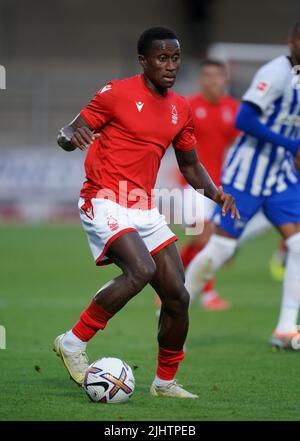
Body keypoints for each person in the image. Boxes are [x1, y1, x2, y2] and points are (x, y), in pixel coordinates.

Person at [54, 27, 238, 398]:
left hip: (142, 205)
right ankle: (73, 342)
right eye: (162, 58)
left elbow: (189, 166)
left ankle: (164, 383)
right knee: (141, 270)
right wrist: (69, 139)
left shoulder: (180, 108)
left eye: (175, 58)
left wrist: (217, 195)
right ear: (143, 61)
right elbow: (69, 130)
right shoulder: (116, 93)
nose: (170, 66)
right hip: (103, 196)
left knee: (177, 296)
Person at [186, 23, 300, 350]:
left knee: (298, 246)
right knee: (219, 248)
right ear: (291, 41)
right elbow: (244, 120)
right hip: (248, 173)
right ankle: (178, 304)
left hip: (280, 175)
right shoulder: (276, 72)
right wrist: (290, 145)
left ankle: (284, 329)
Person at [179, 59, 240, 310]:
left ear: (225, 80)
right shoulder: (188, 107)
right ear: (201, 80)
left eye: (218, 76)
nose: (213, 80)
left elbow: (241, 144)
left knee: (201, 241)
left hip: (221, 188)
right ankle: (207, 295)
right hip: (193, 186)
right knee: (203, 238)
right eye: (208, 75)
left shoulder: (233, 109)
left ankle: (170, 286)